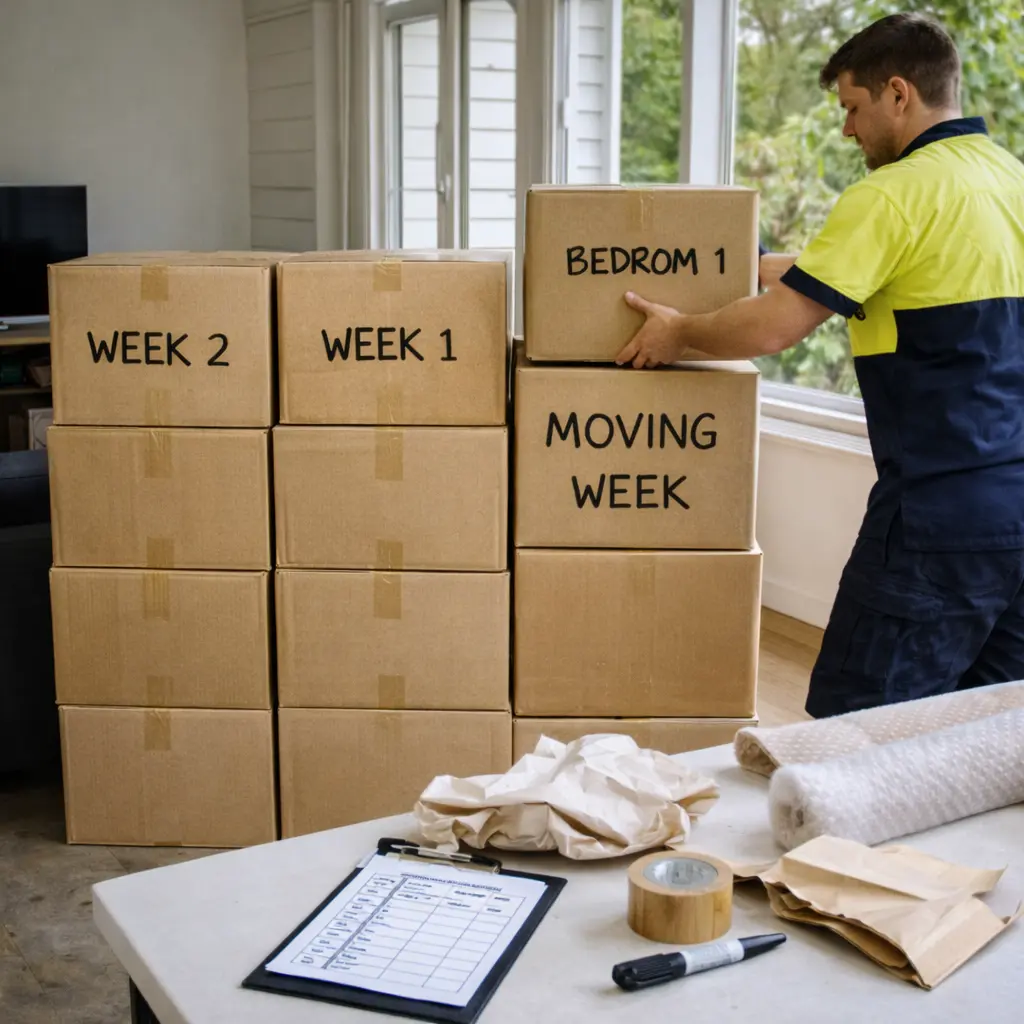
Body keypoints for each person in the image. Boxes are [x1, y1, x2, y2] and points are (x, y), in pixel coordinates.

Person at [615, 13, 1024, 718]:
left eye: (852, 108)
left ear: (898, 94)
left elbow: (777, 327)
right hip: (1015, 502)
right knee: (984, 733)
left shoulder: (892, 193)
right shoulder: (1006, 180)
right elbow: (886, 273)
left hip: (938, 510)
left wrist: (679, 333)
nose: (847, 130)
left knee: (855, 726)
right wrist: (726, 263)